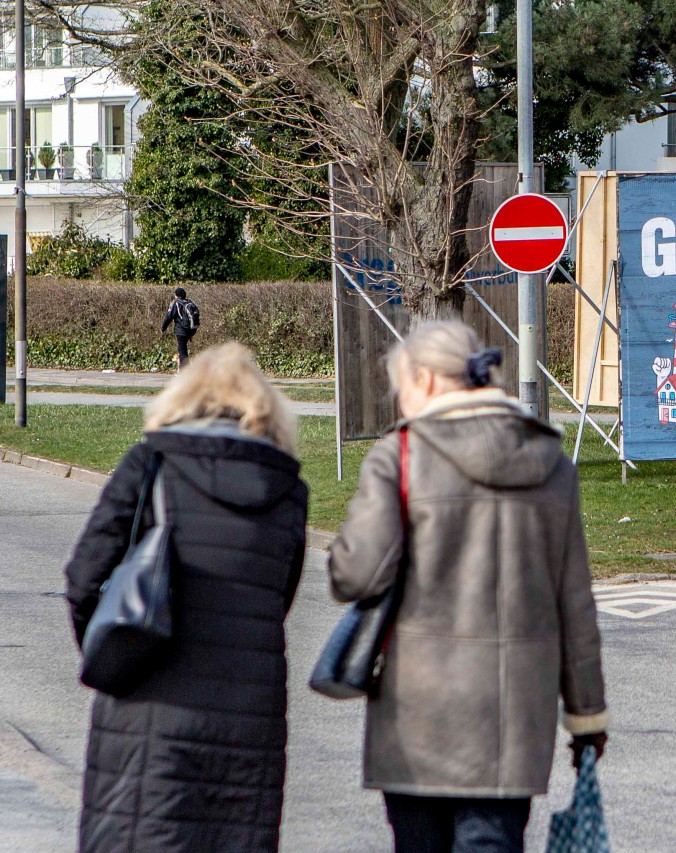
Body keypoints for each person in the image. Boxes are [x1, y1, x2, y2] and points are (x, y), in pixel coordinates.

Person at [329, 321, 609, 853]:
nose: (400, 401)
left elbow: (355, 575)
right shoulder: (550, 461)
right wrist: (587, 717)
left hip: (418, 717)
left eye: (401, 387)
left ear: (428, 381)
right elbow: (575, 605)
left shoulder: (401, 456)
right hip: (513, 721)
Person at [65, 342, 309, 853]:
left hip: (149, 699)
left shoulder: (151, 463)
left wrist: (112, 650)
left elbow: (86, 575)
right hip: (248, 713)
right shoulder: (287, 488)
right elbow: (276, 597)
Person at [160, 286, 199, 370]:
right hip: (191, 330)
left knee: (182, 350)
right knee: (183, 349)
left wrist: (163, 327)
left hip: (181, 331)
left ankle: (185, 371)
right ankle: (184, 369)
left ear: (176, 295)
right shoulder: (189, 302)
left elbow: (169, 316)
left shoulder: (176, 303)